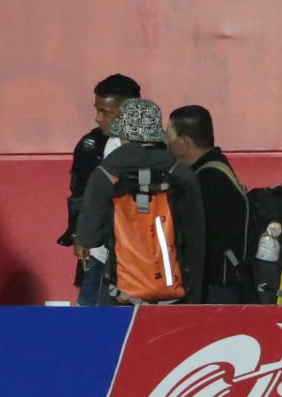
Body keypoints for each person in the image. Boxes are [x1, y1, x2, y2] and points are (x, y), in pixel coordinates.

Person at [75, 98, 204, 306]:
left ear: (123, 133)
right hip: (176, 293)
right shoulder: (182, 174)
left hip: (120, 294)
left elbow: (90, 238)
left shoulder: (106, 174)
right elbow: (196, 240)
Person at [59, 73, 140, 305]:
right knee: (88, 316)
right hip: (98, 255)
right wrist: (79, 234)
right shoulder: (90, 145)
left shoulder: (154, 150)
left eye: (105, 112)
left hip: (138, 257)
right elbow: (79, 194)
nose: (97, 118)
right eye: (97, 110)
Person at [168, 105, 252, 303]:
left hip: (216, 288)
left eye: (169, 135)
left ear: (184, 142)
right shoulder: (213, 171)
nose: (166, 143)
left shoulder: (208, 180)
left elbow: (199, 239)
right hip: (220, 285)